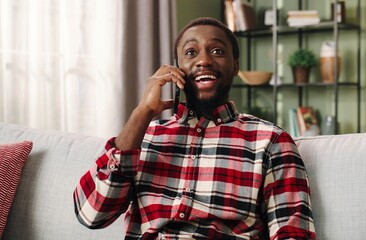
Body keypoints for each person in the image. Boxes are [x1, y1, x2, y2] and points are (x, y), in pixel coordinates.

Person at [73, 17, 315, 239]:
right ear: (176, 69)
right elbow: (92, 215)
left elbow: (292, 232)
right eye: (191, 52)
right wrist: (141, 113)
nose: (204, 60)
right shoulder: (144, 137)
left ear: (235, 66)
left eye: (217, 51)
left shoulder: (271, 141)